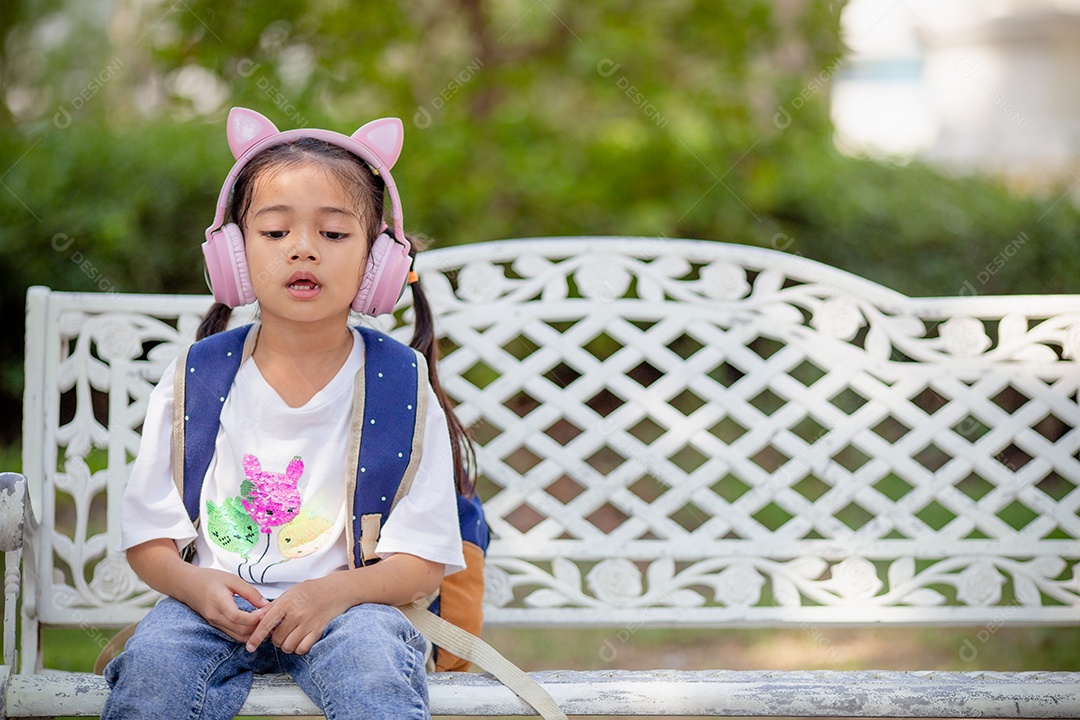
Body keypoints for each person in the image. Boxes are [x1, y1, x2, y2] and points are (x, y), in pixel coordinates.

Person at [102, 107, 472, 720]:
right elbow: (149, 539)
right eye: (275, 233)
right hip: (208, 610)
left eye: (333, 234)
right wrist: (195, 585)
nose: (303, 249)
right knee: (154, 672)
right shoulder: (196, 379)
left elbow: (423, 561)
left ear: (377, 263)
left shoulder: (399, 385)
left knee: (373, 671)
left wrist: (333, 593)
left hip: (352, 609)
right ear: (235, 254)